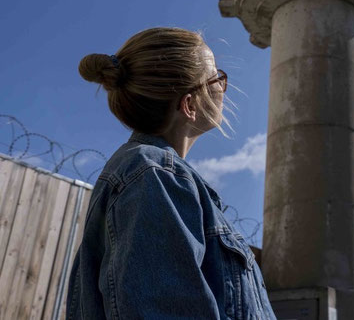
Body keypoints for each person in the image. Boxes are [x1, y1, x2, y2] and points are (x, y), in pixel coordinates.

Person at [66, 27, 276, 319]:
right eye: (216, 78)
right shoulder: (153, 176)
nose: (223, 87)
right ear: (189, 105)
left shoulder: (155, 175)